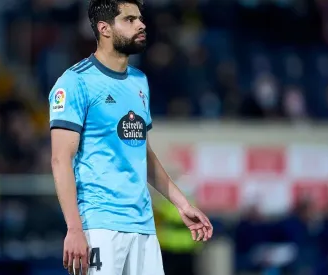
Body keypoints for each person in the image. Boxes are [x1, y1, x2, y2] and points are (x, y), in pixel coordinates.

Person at [49, 1, 213, 274]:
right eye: (130, 19)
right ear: (105, 29)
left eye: (140, 18)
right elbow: (59, 159)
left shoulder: (138, 81)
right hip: (99, 226)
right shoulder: (74, 82)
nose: (141, 25)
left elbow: (143, 155)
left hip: (144, 227)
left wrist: (182, 205)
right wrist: (74, 229)